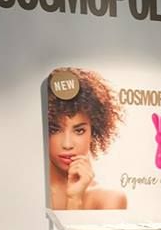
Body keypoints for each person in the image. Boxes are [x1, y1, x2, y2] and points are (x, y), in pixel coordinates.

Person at [48, 67, 127, 210]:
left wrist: (74, 199)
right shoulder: (29, 193)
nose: (67, 144)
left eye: (79, 131)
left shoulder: (109, 199)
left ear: (94, 132)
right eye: (54, 130)